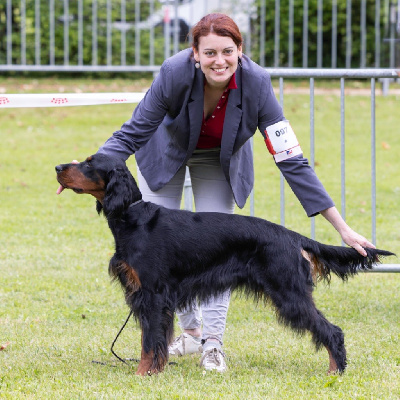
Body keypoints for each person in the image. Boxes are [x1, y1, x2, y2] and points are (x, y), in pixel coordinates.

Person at [61, 13, 375, 372]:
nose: (219, 60)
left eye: (228, 51)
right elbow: (131, 134)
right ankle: (186, 335)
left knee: (218, 251)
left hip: (220, 160)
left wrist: (341, 227)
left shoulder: (256, 84)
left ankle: (213, 343)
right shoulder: (174, 73)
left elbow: (291, 160)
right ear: (194, 53)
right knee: (160, 258)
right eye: (209, 52)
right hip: (167, 155)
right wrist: (93, 166)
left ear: (240, 50)